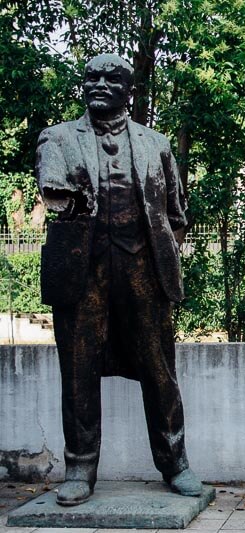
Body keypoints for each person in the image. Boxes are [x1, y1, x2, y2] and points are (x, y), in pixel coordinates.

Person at [36, 53, 201, 505]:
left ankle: (175, 463)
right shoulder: (57, 138)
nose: (101, 84)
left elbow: (175, 214)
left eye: (113, 78)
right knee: (78, 373)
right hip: (81, 273)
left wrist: (156, 257)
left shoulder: (157, 144)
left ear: (130, 89)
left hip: (143, 273)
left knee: (159, 371)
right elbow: (55, 191)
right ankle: (79, 469)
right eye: (92, 77)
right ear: (82, 84)